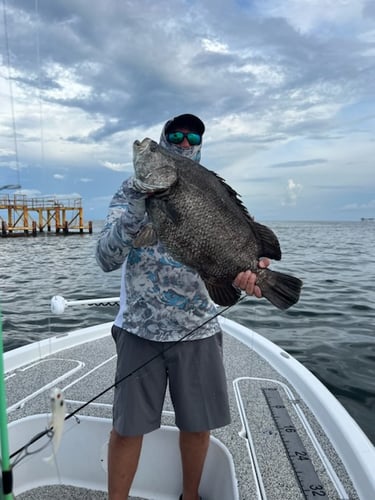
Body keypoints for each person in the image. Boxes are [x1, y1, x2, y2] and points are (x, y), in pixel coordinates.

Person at [96, 113, 270, 500]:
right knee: (127, 428)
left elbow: (242, 244)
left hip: (198, 330)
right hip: (139, 330)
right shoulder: (130, 191)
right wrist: (135, 209)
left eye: (194, 136)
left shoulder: (212, 189)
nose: (185, 142)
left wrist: (249, 272)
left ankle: (189, 496)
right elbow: (106, 258)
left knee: (197, 426)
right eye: (174, 136)